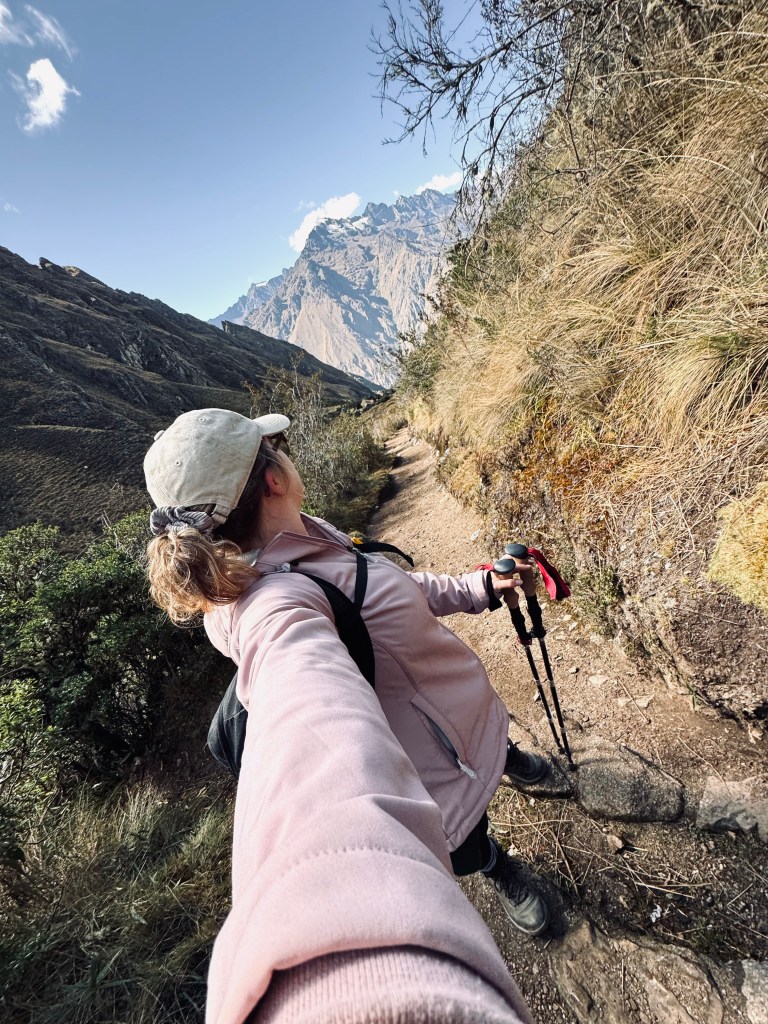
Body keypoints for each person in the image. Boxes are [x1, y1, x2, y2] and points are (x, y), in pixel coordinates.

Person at [144, 408, 546, 1023]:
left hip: (461, 715)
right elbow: (305, 713)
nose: (285, 452)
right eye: (275, 446)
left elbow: (387, 587)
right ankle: (497, 868)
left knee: (495, 748)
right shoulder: (274, 605)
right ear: (273, 478)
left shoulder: (305, 536)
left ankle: (506, 757)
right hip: (438, 770)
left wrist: (477, 587)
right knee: (469, 841)